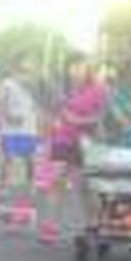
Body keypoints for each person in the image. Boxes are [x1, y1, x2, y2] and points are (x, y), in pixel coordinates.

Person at [35, 52, 108, 245]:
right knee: (56, 181)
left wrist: (79, 120)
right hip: (62, 140)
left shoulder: (99, 90)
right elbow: (54, 111)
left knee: (86, 185)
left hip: (86, 142)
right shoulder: (65, 89)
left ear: (88, 67)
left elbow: (101, 117)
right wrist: (52, 123)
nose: (75, 70)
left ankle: (94, 223)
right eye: (72, 66)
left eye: (80, 66)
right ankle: (50, 226)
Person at [0, 53, 42, 215]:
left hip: (29, 127)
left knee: (30, 160)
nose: (29, 65)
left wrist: (40, 123)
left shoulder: (35, 85)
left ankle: (31, 186)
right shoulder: (7, 84)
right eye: (26, 62)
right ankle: (3, 188)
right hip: (10, 127)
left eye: (31, 62)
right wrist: (8, 116)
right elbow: (1, 104)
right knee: (7, 158)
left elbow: (39, 104)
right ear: (18, 64)